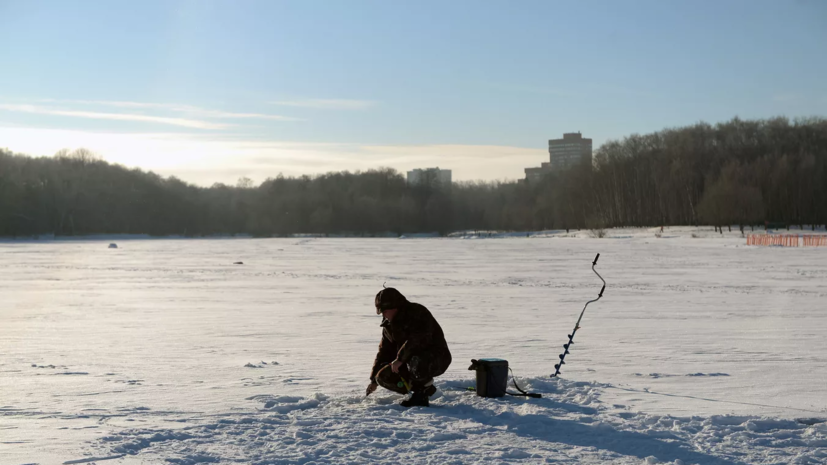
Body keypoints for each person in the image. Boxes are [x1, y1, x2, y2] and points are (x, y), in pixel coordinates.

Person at [365, 287, 451, 407]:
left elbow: (418, 340)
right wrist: (374, 380)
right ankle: (421, 388)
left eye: (384, 311)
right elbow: (384, 352)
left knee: (416, 360)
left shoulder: (417, 313)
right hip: (407, 360)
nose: (383, 315)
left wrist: (400, 359)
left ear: (394, 307)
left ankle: (421, 394)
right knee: (383, 376)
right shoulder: (388, 325)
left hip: (437, 358)